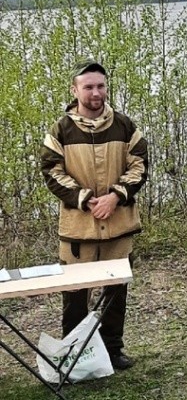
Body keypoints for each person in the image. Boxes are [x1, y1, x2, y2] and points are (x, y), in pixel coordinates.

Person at [41, 60, 149, 370]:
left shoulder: (125, 125)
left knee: (115, 295)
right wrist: (86, 200)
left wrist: (116, 196)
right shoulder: (60, 129)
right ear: (75, 90)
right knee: (75, 297)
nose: (95, 93)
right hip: (79, 230)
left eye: (100, 86)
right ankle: (73, 358)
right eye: (88, 87)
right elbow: (51, 171)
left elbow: (139, 163)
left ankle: (113, 351)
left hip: (119, 226)